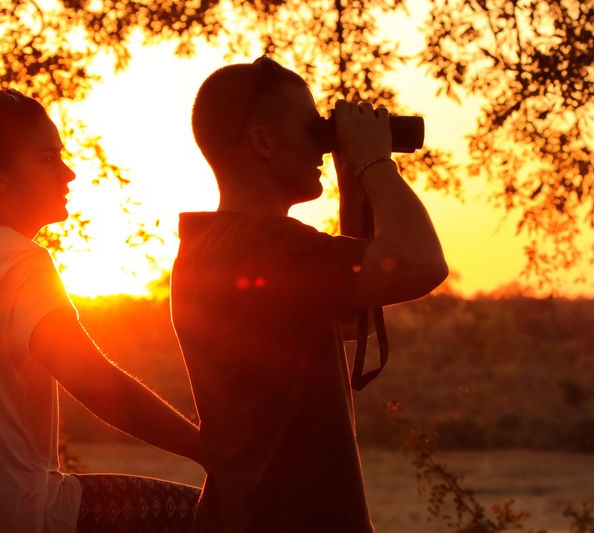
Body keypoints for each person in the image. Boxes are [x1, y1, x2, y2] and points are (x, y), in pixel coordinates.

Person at [171, 56, 448, 532]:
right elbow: (420, 263)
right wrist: (374, 162)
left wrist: (351, 185)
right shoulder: (270, 247)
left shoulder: (210, 247)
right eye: (311, 128)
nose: (322, 142)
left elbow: (349, 318)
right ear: (262, 141)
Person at [0, 89, 201, 533]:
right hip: (23, 517)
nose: (68, 173)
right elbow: (93, 381)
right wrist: (211, 450)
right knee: (206, 517)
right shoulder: (16, 260)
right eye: (48, 158)